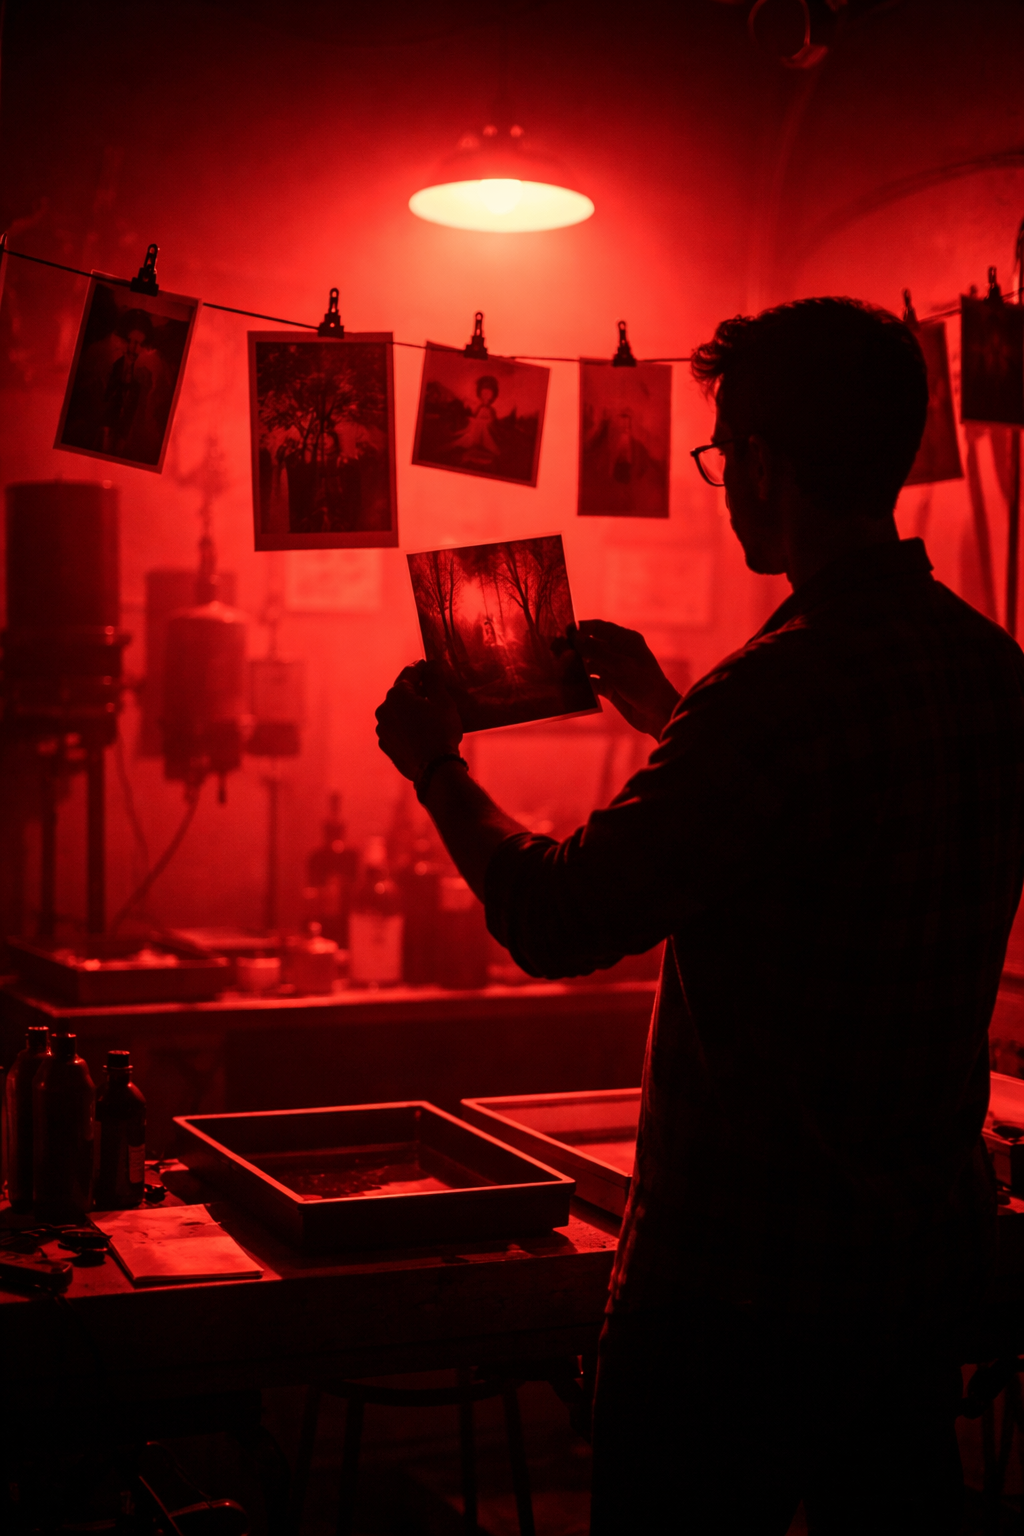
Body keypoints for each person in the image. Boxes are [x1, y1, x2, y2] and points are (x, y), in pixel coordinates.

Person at [374, 297, 1024, 1533]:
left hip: (738, 1295)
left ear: (767, 468)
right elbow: (831, 841)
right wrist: (675, 717)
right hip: (909, 1281)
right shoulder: (992, 671)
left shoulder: (772, 694)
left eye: (722, 454)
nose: (722, 482)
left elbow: (560, 918)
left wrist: (437, 767)